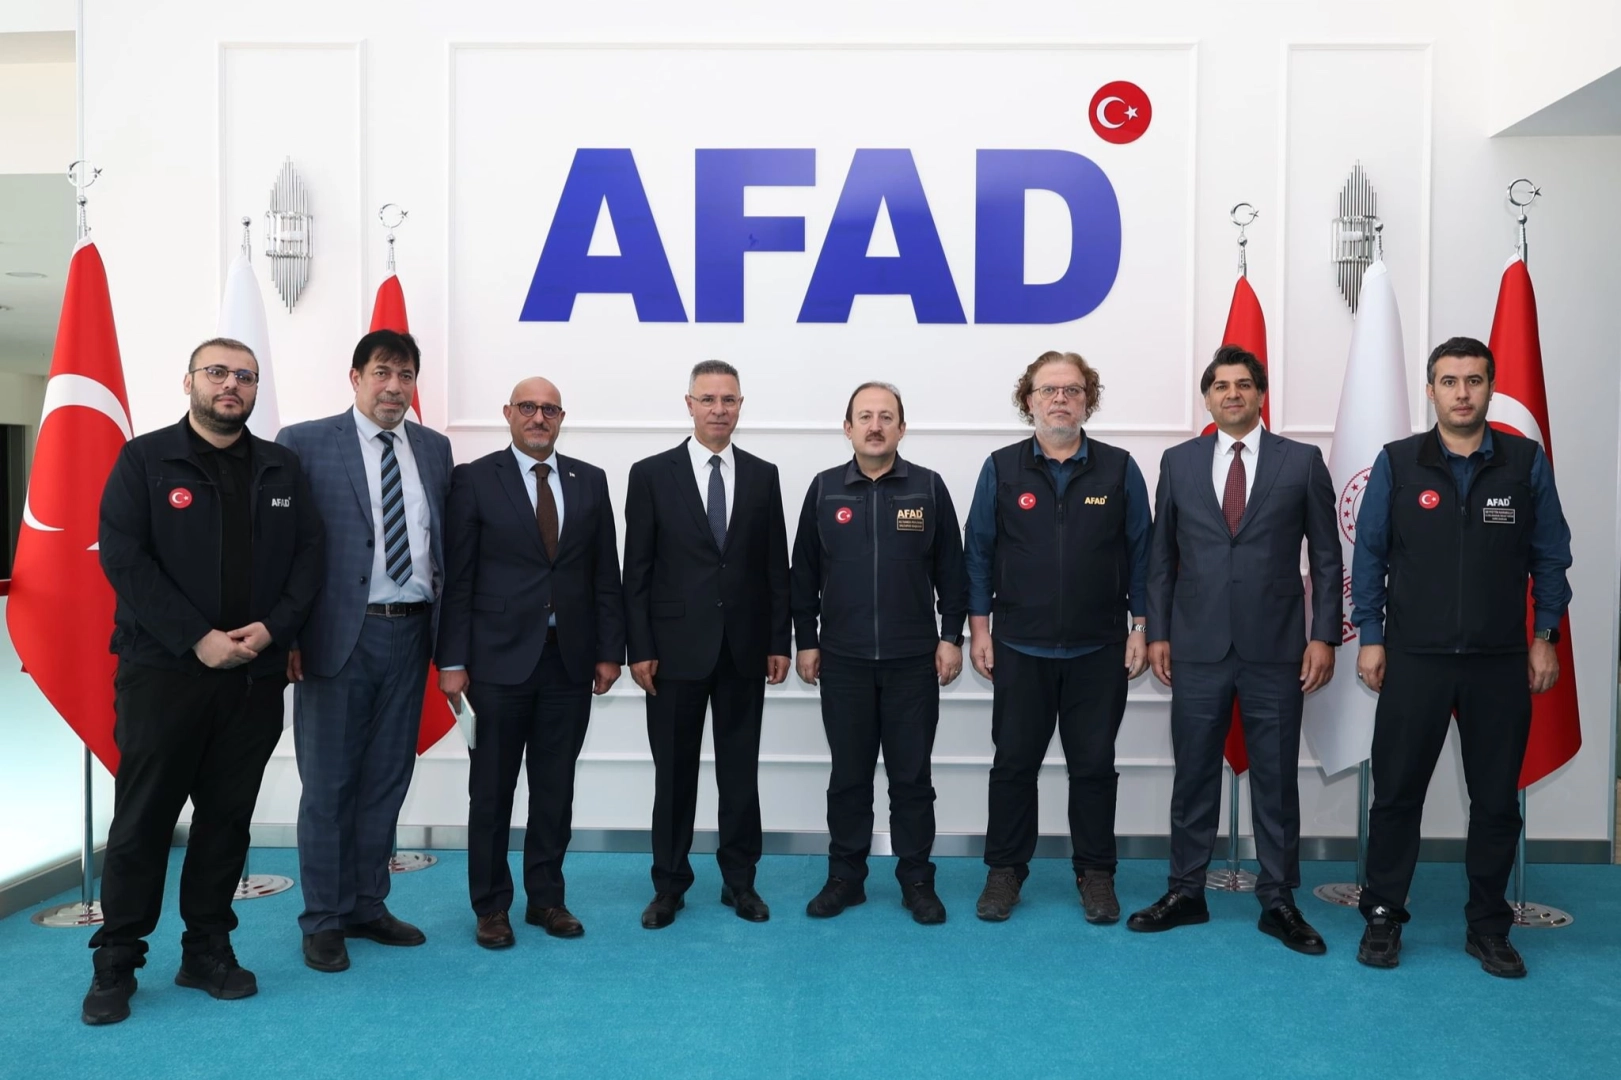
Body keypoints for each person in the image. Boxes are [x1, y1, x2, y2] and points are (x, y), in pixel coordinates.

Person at [84, 338, 323, 1025]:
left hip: (253, 676)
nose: (231, 385)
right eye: (217, 372)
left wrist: (272, 630)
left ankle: (207, 950)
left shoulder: (281, 466)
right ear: (189, 381)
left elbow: (310, 557)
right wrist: (197, 637)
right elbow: (124, 559)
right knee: (144, 819)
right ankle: (117, 959)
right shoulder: (145, 459)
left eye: (244, 376)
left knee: (226, 820)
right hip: (163, 673)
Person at [1351, 336, 1572, 978]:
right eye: (1449, 381)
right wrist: (1371, 635)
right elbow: (1370, 553)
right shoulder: (1398, 462)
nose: (1462, 393)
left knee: (1497, 802)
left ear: (1491, 388)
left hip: (1499, 660)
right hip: (1413, 658)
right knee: (1396, 797)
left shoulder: (1524, 462)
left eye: (1474, 380)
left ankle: (1488, 927)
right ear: (1431, 391)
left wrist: (1545, 635)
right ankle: (1383, 915)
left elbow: (1551, 555)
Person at [1128, 344, 1340, 954]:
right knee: (1194, 775)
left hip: (1277, 647)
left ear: (1261, 394)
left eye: (1243, 384)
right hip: (1195, 646)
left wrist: (1323, 635)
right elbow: (1161, 557)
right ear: (1207, 398)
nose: (1232, 394)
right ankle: (1185, 891)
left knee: (1276, 779)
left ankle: (1279, 899)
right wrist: (1158, 631)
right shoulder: (1179, 462)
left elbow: (1328, 557)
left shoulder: (1302, 462)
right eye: (1220, 385)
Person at [276, 329, 453, 973]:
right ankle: (323, 918)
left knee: (386, 780)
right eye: (382, 372)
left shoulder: (434, 449)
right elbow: (283, 547)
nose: (394, 387)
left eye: (405, 375)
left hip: (412, 634)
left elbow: (441, 549)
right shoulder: (304, 442)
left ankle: (366, 905)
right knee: (328, 785)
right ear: (356, 378)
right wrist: (288, 634)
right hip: (336, 638)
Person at [963, 351, 1152, 924]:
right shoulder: (1001, 468)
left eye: (1072, 390)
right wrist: (979, 628)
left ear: (1087, 400)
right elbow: (978, 552)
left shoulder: (1119, 469)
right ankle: (1005, 871)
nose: (1060, 399)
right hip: (1020, 647)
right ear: (1030, 401)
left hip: (1100, 648)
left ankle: (1096, 874)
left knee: (1093, 766)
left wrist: (1141, 627)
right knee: (1013, 765)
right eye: (1048, 390)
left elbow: (1143, 554)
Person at [437, 378, 625, 949]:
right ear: (508, 413)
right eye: (528, 407)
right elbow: (458, 576)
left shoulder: (589, 480)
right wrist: (451, 659)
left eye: (549, 409)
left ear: (561, 417)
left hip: (568, 662)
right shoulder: (474, 479)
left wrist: (608, 651)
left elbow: (605, 574)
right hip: (495, 665)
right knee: (492, 792)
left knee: (555, 789)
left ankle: (546, 899)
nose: (538, 417)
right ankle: (491, 905)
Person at [790, 382, 968, 925]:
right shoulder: (825, 489)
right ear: (847, 429)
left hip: (913, 660)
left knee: (912, 779)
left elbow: (953, 571)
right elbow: (803, 574)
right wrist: (806, 640)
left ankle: (917, 880)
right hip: (842, 660)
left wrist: (951, 636)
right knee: (849, 777)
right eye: (864, 417)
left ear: (901, 428)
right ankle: (846, 878)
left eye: (886, 417)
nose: (875, 426)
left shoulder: (928, 487)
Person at [622, 360, 791, 928]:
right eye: (709, 399)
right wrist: (639, 647)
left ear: (741, 406)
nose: (720, 409)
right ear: (689, 404)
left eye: (729, 400)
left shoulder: (764, 475)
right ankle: (669, 885)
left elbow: (775, 566)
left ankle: (740, 882)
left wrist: (779, 640)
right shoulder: (651, 474)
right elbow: (636, 571)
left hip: (744, 650)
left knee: (740, 775)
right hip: (672, 653)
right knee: (674, 776)